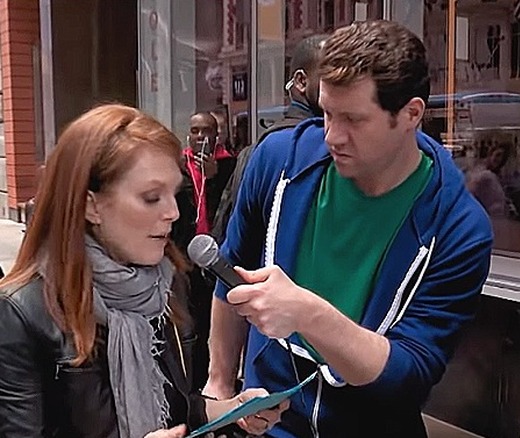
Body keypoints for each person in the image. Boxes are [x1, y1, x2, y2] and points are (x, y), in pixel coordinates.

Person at [204, 20, 493, 437]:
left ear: (411, 114)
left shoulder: (457, 228)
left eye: (354, 119)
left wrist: (308, 313)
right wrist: (218, 385)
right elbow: (230, 277)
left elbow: (409, 372)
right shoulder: (279, 162)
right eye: (326, 113)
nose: (332, 136)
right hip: (266, 423)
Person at [0, 104, 286, 438]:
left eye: (174, 194)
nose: (173, 213)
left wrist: (231, 409)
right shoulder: (22, 312)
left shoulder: (167, 284)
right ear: (91, 205)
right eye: (152, 197)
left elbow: (175, 410)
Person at [212, 33, 329, 244]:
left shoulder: (257, 150)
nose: (342, 84)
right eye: (330, 74)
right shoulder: (278, 149)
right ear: (302, 81)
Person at [171, 110, 237, 390]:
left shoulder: (229, 166)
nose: (200, 137)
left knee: (217, 323)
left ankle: (217, 379)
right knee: (190, 323)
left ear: (216, 135)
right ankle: (193, 381)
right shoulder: (178, 167)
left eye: (206, 131)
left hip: (216, 257)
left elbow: (228, 209)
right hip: (186, 257)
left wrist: (214, 178)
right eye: (195, 131)